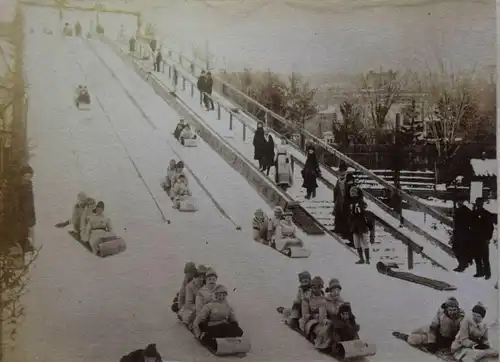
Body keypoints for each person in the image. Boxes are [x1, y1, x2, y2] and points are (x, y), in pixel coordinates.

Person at [192, 284, 244, 349]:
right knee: (216, 332)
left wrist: (234, 322)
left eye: (223, 295)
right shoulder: (209, 306)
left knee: (239, 331)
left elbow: (232, 317)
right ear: (215, 295)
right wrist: (199, 331)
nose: (221, 297)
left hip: (224, 326)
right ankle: (210, 340)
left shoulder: (228, 306)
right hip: (213, 327)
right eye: (219, 295)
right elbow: (199, 319)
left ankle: (228, 340)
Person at [470, 198, 495, 279]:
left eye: (479, 203)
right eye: (477, 203)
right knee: (477, 256)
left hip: (483, 239)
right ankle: (479, 272)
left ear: (482, 204)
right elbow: (471, 224)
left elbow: (490, 227)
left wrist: (488, 238)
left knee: (485, 257)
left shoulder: (486, 214)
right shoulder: (474, 213)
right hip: (475, 238)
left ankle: (487, 273)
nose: (478, 204)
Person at [349, 187, 375, 264]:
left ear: (357, 193)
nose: (352, 193)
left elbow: (362, 211)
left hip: (362, 224)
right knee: (356, 243)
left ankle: (367, 259)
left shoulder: (361, 201)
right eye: (351, 192)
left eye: (354, 192)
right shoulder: (350, 202)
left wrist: (358, 209)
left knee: (364, 242)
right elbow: (351, 214)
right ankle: (361, 259)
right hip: (354, 225)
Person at [452, 199, 472, 272]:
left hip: (462, 232)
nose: (458, 203)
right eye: (458, 202)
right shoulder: (465, 210)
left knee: (458, 248)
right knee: (459, 248)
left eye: (459, 202)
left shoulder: (462, 211)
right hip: (461, 232)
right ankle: (465, 263)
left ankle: (462, 265)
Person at [334, 163, 349, 235]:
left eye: (343, 171)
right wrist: (335, 199)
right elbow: (336, 189)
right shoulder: (338, 179)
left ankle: (344, 231)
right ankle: (337, 229)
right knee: (338, 214)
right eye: (340, 171)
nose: (341, 172)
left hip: (346, 200)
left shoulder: (348, 179)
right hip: (339, 199)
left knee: (345, 215)